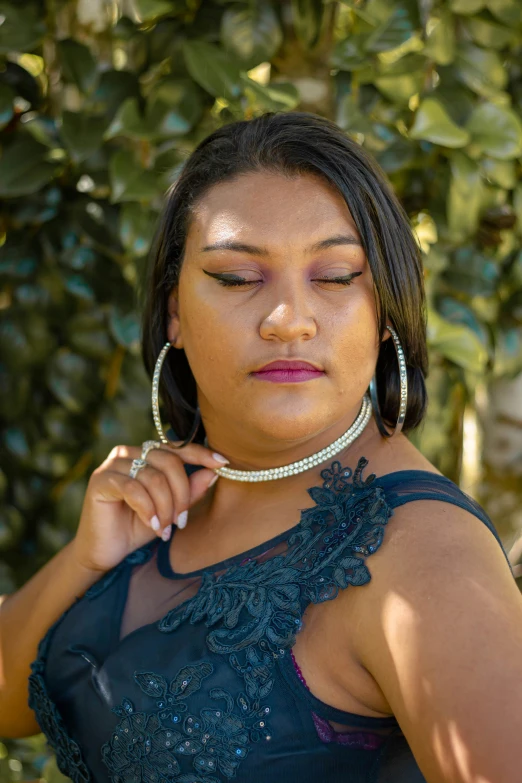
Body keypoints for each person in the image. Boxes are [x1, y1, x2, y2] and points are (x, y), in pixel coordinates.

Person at [1, 111, 521, 783]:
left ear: (387, 308)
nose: (287, 320)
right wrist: (85, 560)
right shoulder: (161, 505)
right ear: (174, 313)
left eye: (335, 276)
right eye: (238, 277)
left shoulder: (427, 561)